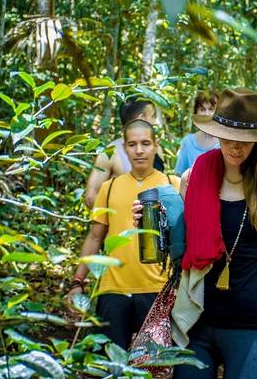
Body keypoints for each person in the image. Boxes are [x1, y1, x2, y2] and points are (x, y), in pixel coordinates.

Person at [135, 88, 257, 378]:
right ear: (216, 133)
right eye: (228, 138)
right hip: (196, 319)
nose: (235, 148)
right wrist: (147, 222)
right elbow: (181, 245)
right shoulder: (193, 177)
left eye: (244, 141)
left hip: (250, 321)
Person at [68, 119, 180, 349]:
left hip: (159, 289)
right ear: (125, 148)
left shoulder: (173, 185)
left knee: (155, 363)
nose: (139, 150)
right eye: (132, 144)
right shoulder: (109, 188)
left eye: (145, 143)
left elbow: (185, 237)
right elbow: (95, 237)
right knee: (110, 361)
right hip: (113, 289)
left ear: (156, 146)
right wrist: (77, 282)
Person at [84, 99, 166, 208]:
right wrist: (123, 210)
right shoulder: (110, 153)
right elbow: (91, 198)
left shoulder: (157, 149)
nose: (155, 122)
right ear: (141, 118)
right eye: (153, 116)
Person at [174, 91, 220, 176]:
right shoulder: (187, 142)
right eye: (202, 110)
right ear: (196, 112)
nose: (206, 114)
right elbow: (178, 175)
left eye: (211, 109)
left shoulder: (225, 142)